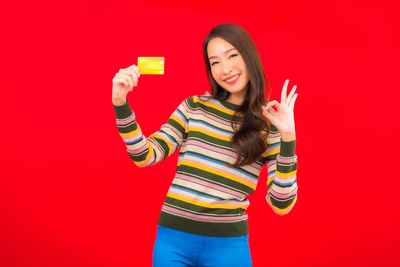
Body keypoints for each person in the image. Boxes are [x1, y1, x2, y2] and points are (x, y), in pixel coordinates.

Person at [111, 23, 298, 267]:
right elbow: (144, 155)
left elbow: (281, 204)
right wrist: (120, 102)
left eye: (232, 55)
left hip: (228, 248)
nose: (225, 69)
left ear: (248, 56)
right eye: (215, 62)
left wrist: (288, 138)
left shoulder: (270, 125)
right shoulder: (194, 107)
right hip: (173, 242)